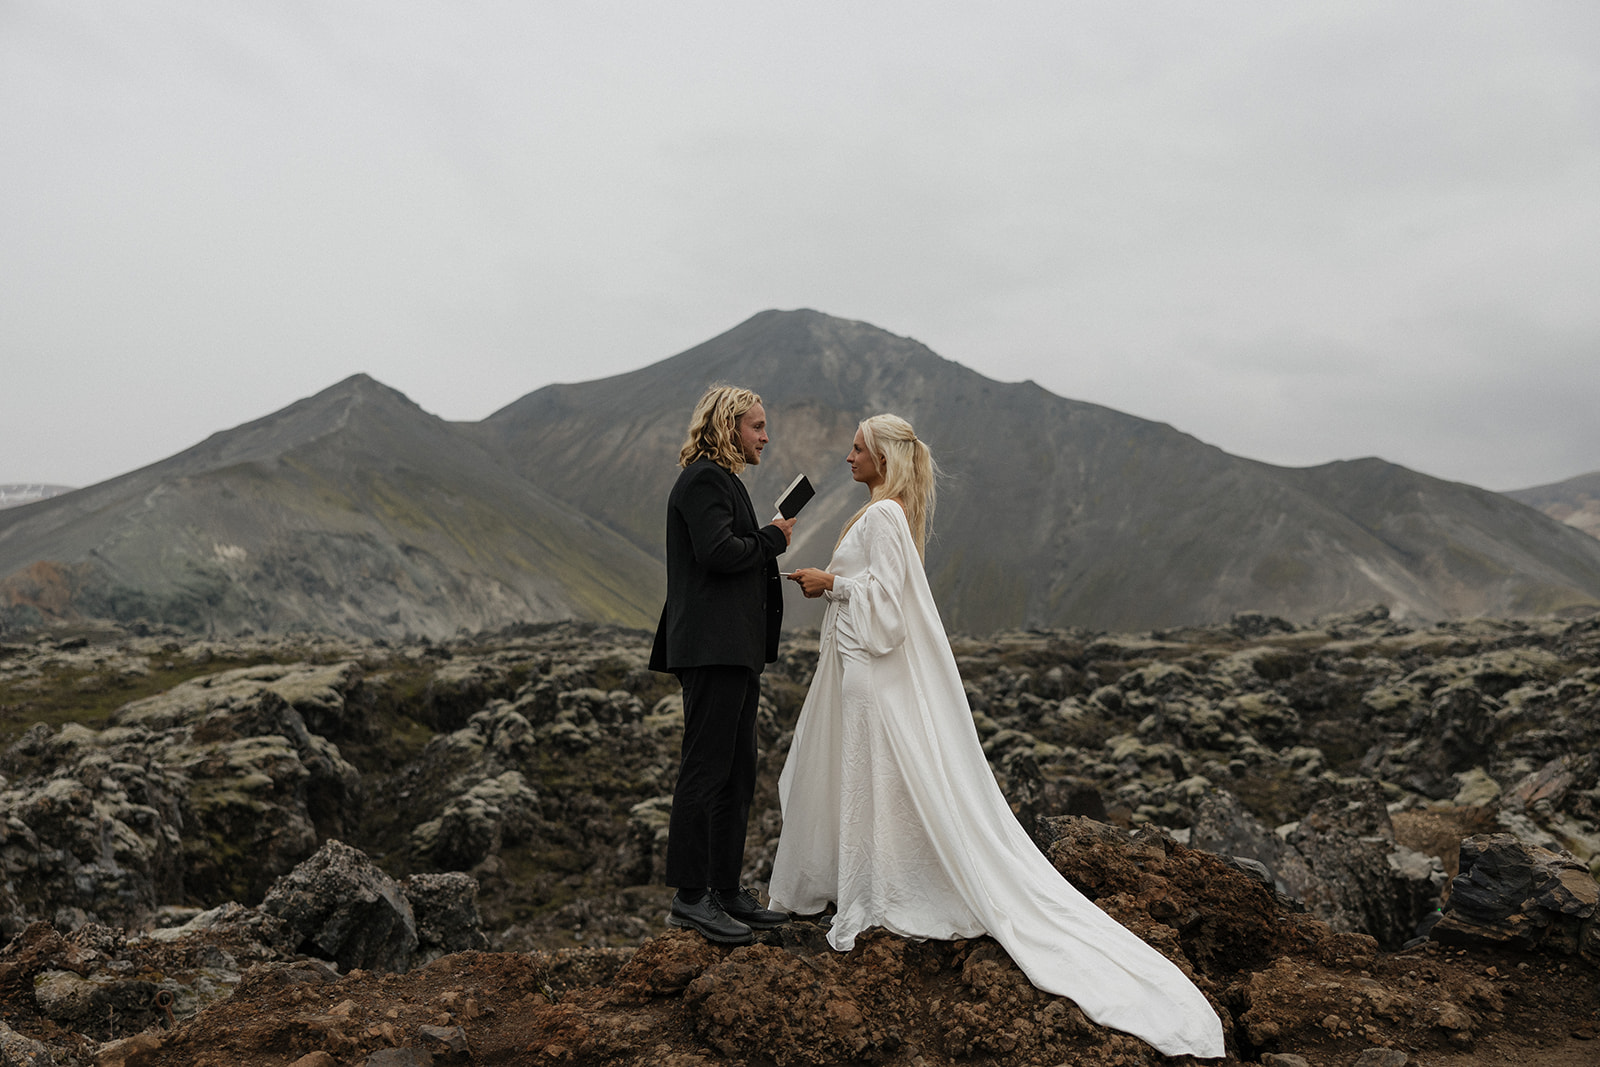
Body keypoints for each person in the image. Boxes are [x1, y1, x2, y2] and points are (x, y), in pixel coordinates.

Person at [772, 414, 1226, 1060]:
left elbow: (890, 609)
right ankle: (871, 882)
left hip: (867, 677)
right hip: (857, 671)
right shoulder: (888, 513)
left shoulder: (883, 517)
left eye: (857, 448)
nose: (846, 457)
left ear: (882, 457)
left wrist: (830, 584)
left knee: (872, 778)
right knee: (872, 780)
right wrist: (841, 588)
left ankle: (876, 891)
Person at [648, 384, 796, 945]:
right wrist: (772, 539)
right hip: (712, 649)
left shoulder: (723, 480)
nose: (765, 436)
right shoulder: (705, 478)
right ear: (729, 426)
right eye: (757, 426)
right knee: (706, 770)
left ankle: (724, 889)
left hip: (733, 649)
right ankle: (691, 899)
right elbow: (719, 553)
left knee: (736, 772)